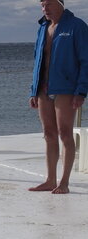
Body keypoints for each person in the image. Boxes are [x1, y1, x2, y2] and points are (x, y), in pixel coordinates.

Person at [29, 0, 88, 194]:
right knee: (48, 134)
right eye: (42, 5)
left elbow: (85, 60)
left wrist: (81, 91)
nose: (45, 8)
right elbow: (38, 60)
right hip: (44, 88)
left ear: (61, 4)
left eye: (49, 4)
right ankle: (50, 179)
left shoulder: (76, 26)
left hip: (66, 87)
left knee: (65, 133)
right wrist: (33, 90)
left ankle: (64, 182)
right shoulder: (43, 27)